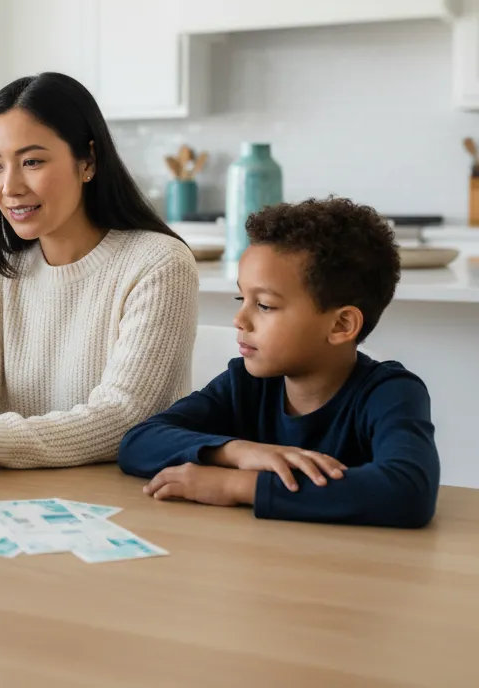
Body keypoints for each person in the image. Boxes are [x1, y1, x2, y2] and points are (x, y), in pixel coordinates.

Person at [0, 72, 198, 468]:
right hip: (23, 501)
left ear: (88, 161)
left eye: (32, 161)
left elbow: (122, 416)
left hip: (127, 501)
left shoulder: (159, 263)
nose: (10, 187)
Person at [118, 197, 439, 528]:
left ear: (341, 325)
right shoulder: (244, 384)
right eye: (243, 298)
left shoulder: (391, 393)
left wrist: (236, 485)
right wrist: (237, 452)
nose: (239, 319)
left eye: (266, 305)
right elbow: (138, 442)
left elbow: (408, 491)